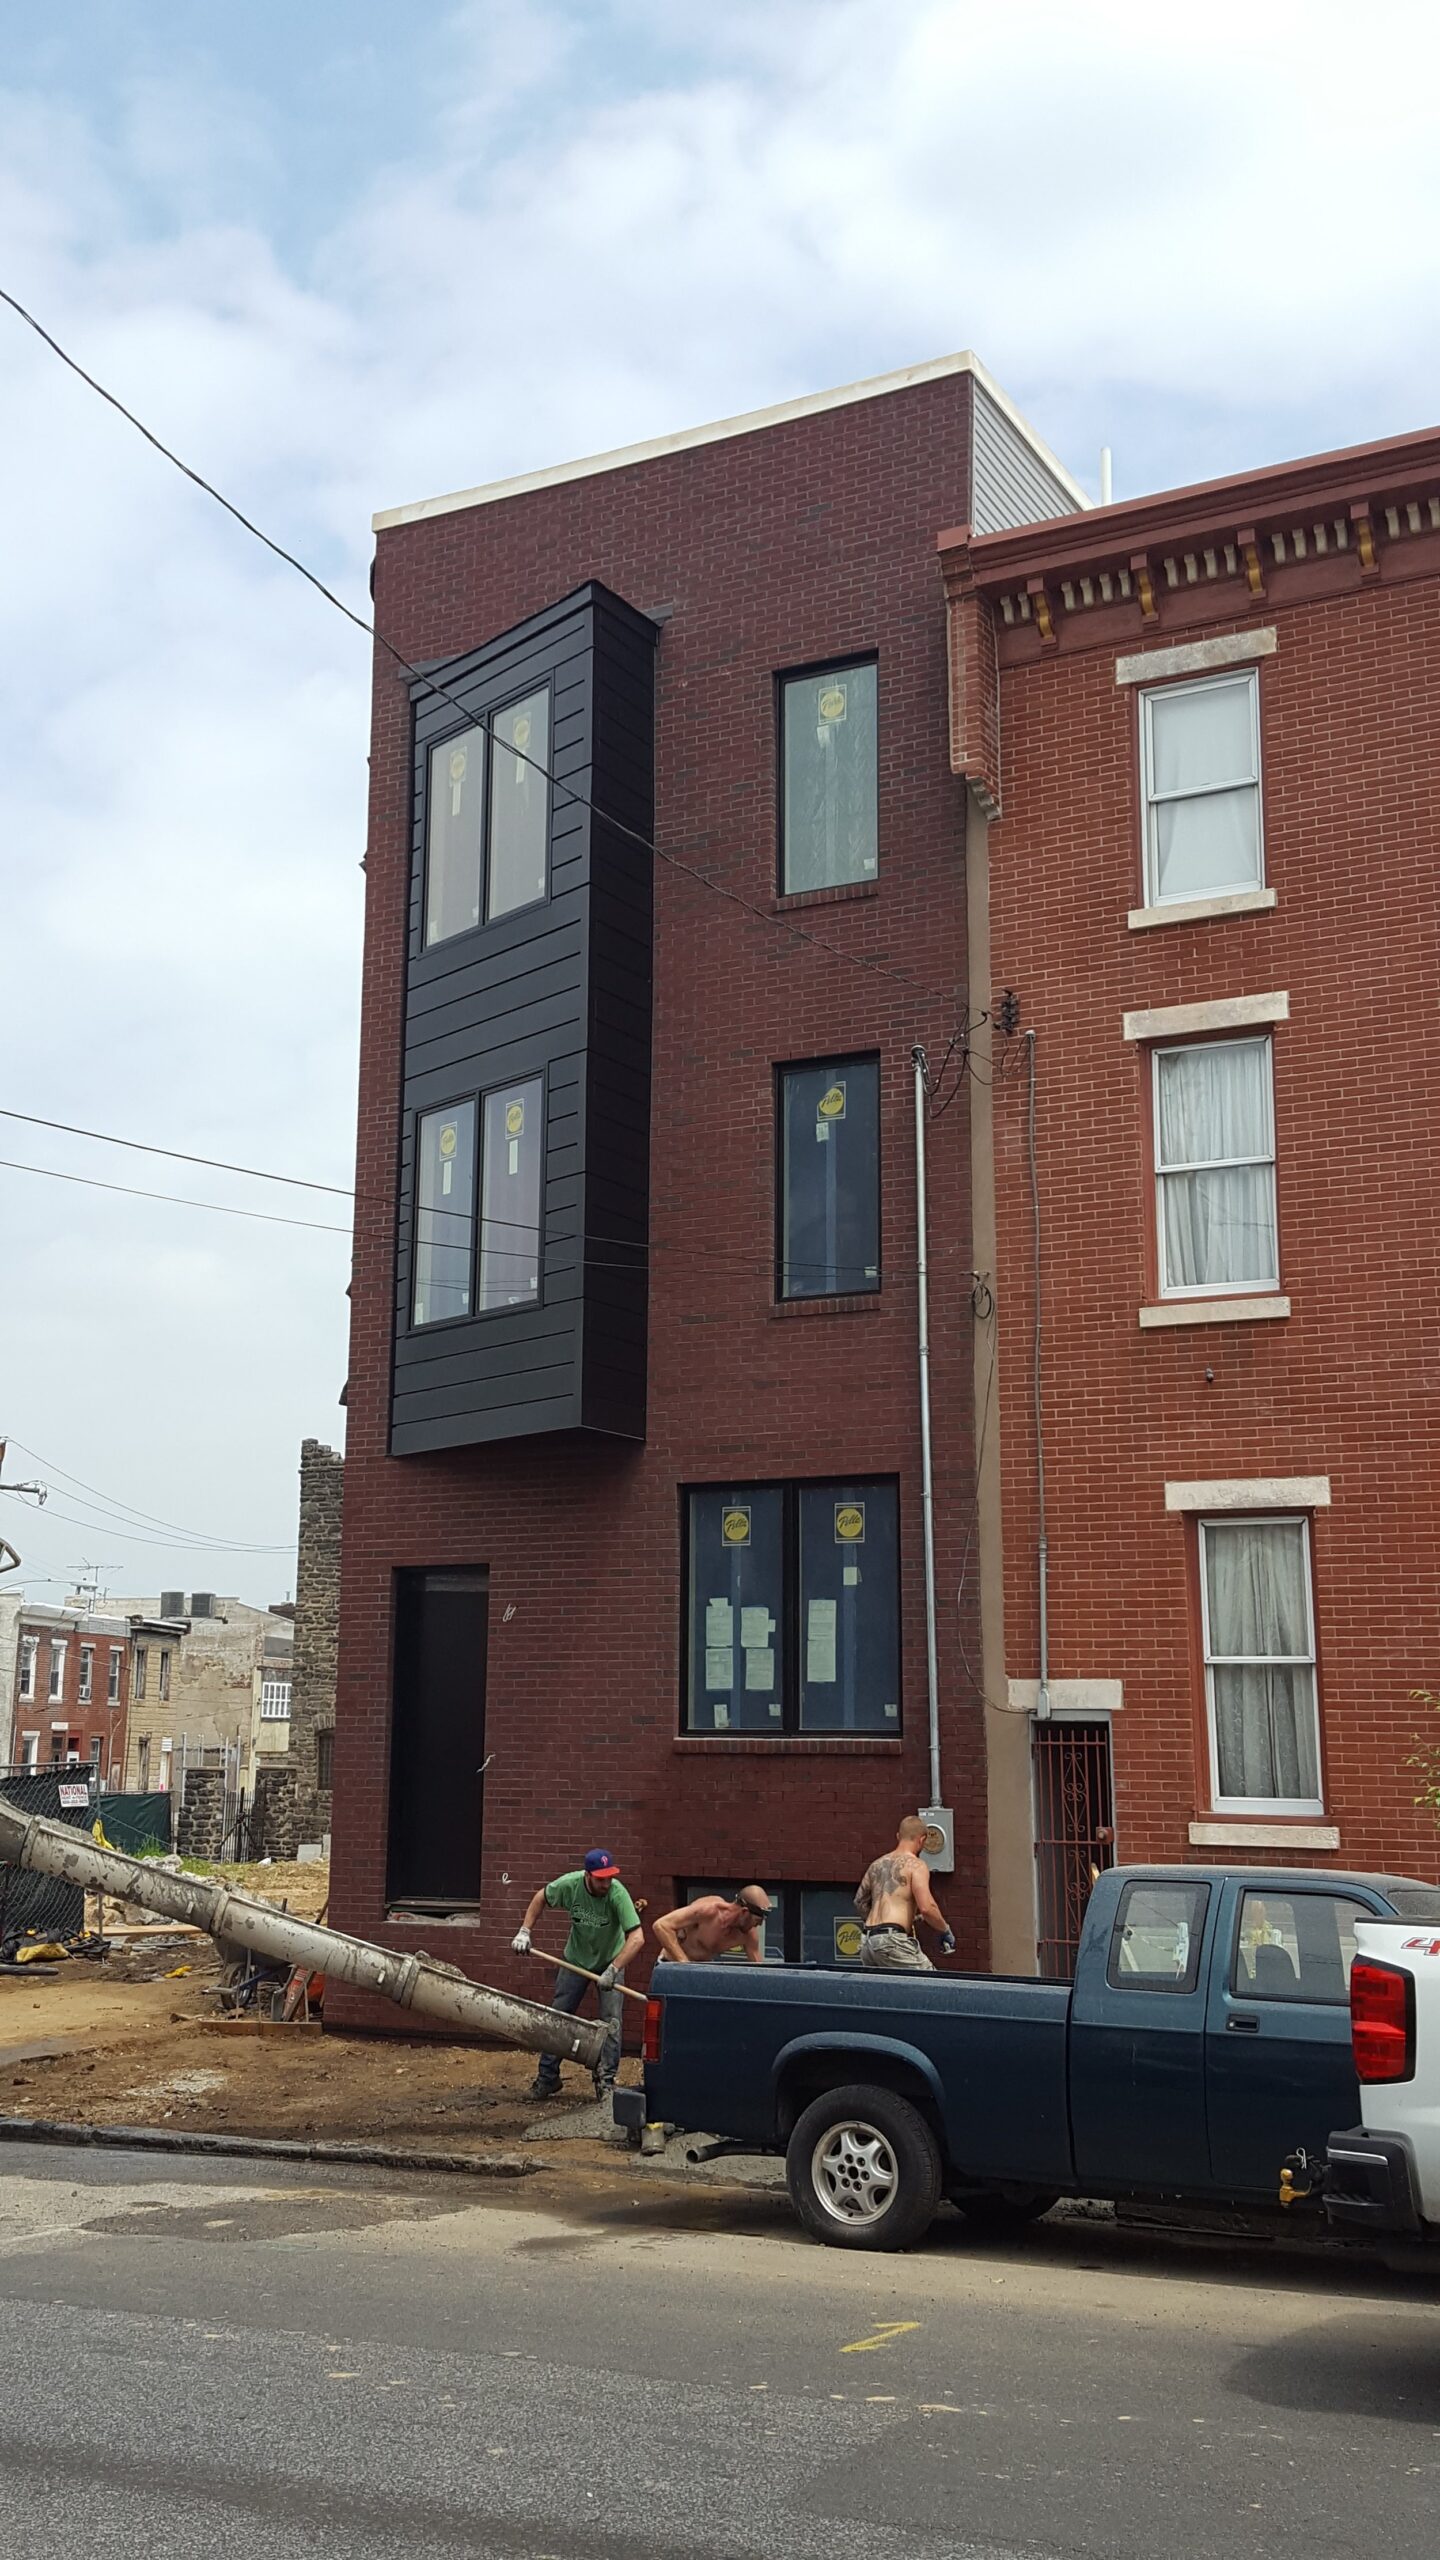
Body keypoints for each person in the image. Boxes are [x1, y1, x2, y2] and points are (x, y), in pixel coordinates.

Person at [511, 1849, 644, 2100]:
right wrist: (525, 1931)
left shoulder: (617, 1893)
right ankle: (547, 2078)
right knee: (558, 2017)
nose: (606, 1884)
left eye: (609, 1878)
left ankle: (605, 2083)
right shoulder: (570, 1885)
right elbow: (541, 1897)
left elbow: (637, 1937)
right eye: (600, 1879)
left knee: (611, 2024)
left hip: (610, 1962)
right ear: (587, 1875)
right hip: (575, 1961)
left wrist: (614, 1969)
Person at [853, 1816, 956, 1971]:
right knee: (933, 1986)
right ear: (922, 1840)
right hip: (892, 1941)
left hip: (868, 1941)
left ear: (898, 1836)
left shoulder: (876, 1865)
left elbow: (859, 1901)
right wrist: (945, 1929)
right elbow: (927, 1908)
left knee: (889, 1992)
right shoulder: (916, 1866)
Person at [651, 1886, 772, 1964]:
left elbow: (758, 1967)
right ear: (744, 1912)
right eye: (757, 1921)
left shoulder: (748, 1934)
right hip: (671, 1965)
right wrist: (684, 1964)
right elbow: (661, 1926)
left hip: (701, 1970)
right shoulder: (709, 1910)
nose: (758, 1926)